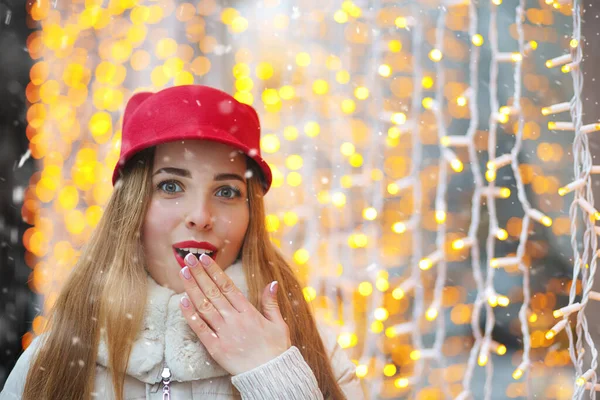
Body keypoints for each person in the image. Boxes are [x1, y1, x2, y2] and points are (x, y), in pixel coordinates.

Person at [0, 86, 365, 399]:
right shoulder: (56, 355)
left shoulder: (312, 348)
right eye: (171, 186)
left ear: (251, 215)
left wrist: (274, 375)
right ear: (132, 209)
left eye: (226, 191)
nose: (201, 215)